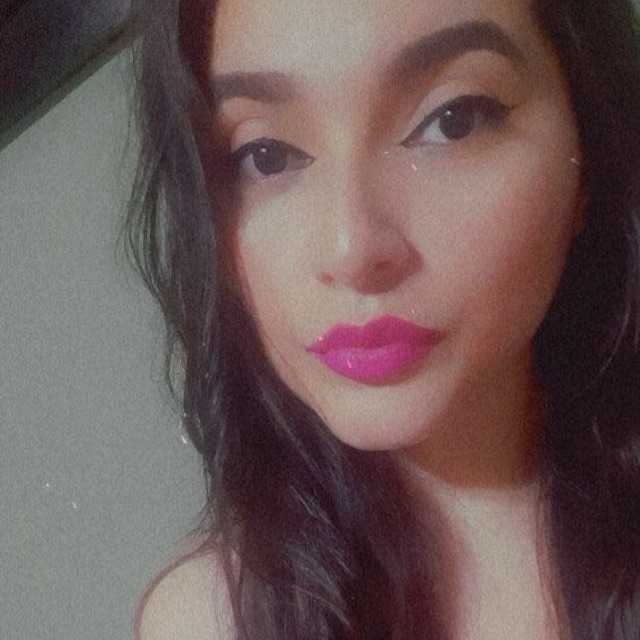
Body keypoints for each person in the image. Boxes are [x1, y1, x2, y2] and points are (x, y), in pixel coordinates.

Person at [123, 0, 640, 638]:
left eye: (453, 122)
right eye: (267, 156)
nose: (352, 249)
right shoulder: (211, 622)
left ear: (589, 145)